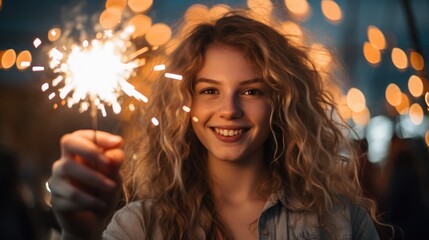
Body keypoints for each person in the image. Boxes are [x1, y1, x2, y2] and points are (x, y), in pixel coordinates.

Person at [48, 11, 381, 239]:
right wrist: (79, 235)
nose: (229, 109)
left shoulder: (339, 224)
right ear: (185, 102)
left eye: (251, 91)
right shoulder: (141, 226)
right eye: (210, 91)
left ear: (280, 101)